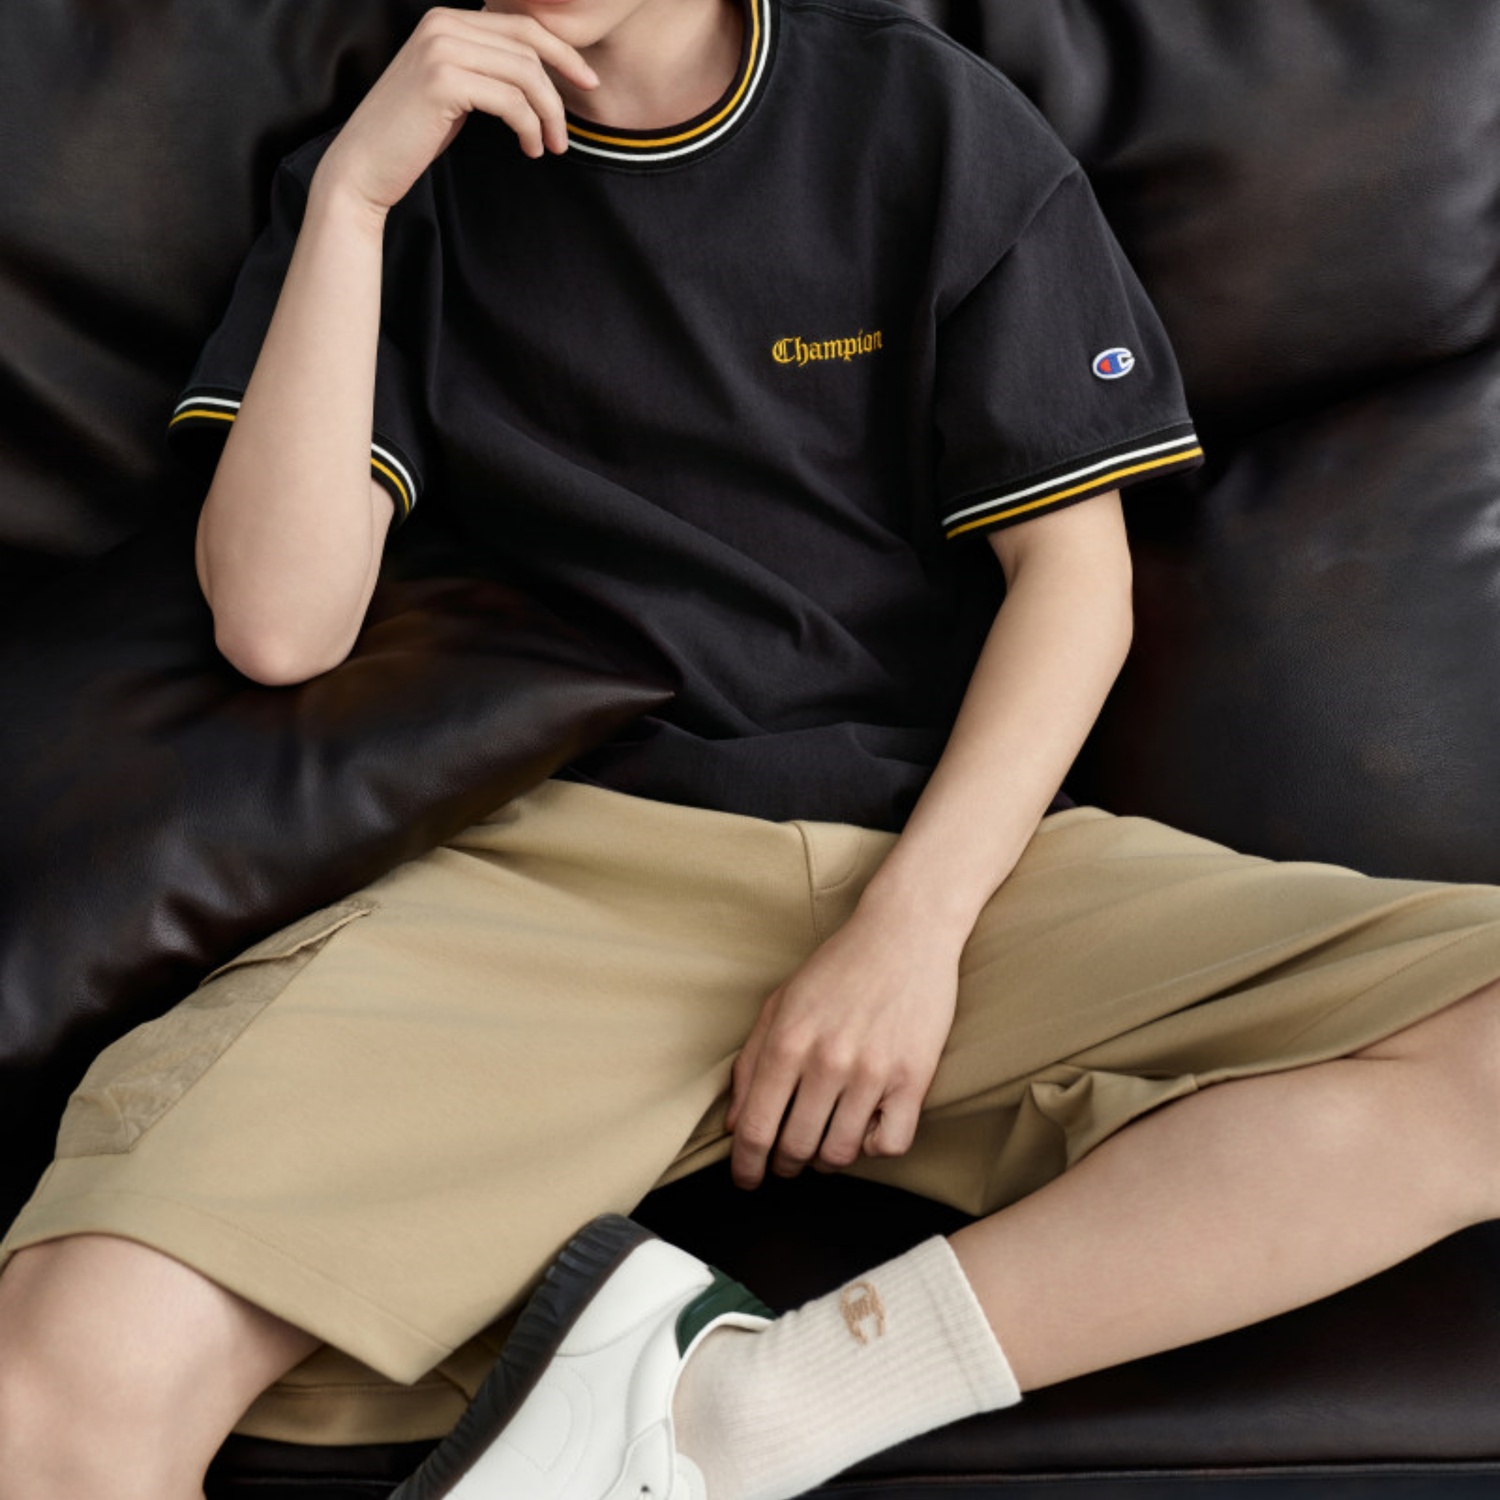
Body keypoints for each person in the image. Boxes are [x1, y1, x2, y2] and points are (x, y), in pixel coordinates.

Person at [5, 0, 1500, 1496]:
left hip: (952, 870)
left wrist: (909, 932)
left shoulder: (925, 118)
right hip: (552, 887)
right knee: (75, 1364)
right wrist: (353, 200)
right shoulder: (397, 170)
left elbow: (1075, 583)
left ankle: (750, 1414)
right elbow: (280, 625)